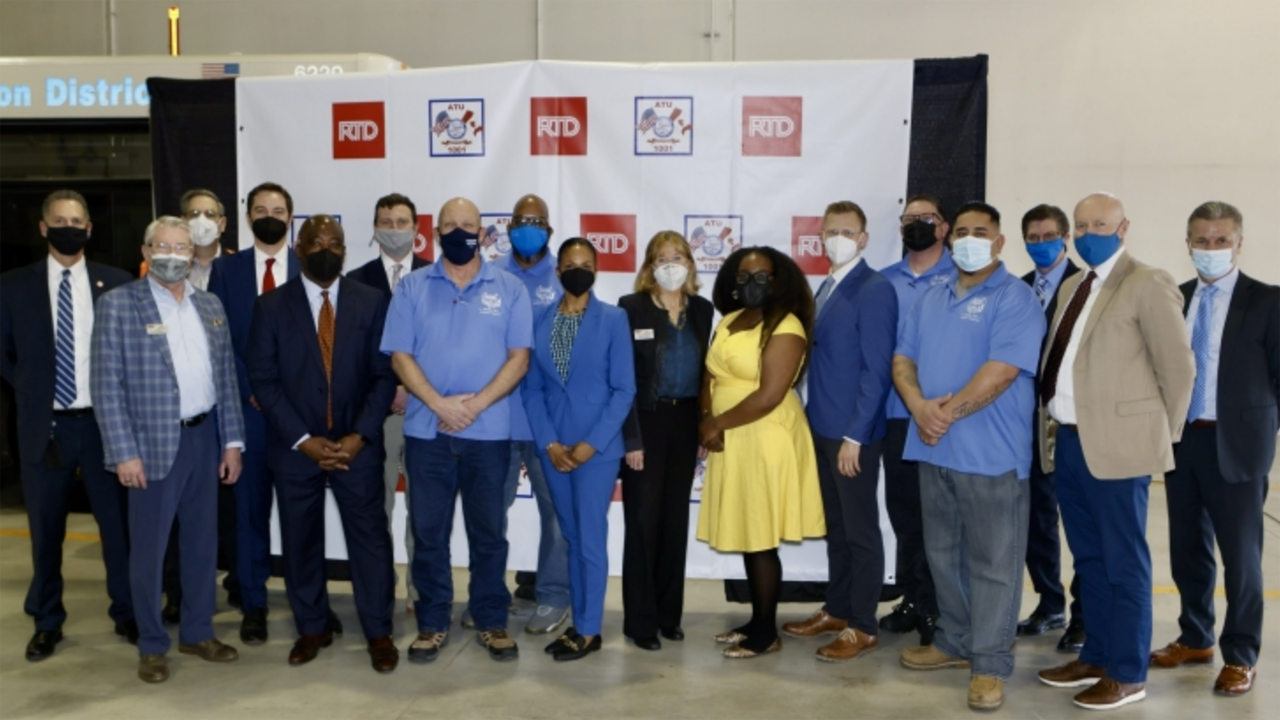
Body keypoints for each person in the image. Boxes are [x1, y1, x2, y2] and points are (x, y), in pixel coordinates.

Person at [1035, 193, 1195, 711]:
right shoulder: (1073, 287)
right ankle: (1097, 656)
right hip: (1072, 443)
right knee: (1090, 560)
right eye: (1079, 225)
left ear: (1123, 227)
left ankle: (1128, 672)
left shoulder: (1147, 282)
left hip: (1119, 448)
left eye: (1099, 224)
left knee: (1125, 564)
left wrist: (1156, 439)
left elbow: (1179, 369)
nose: (1086, 233)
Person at [893, 202, 1044, 711]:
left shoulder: (1015, 298)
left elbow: (1002, 372)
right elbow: (903, 358)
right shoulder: (932, 296)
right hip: (934, 450)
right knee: (943, 556)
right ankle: (955, 642)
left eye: (982, 232)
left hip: (990, 456)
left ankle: (990, 663)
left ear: (1000, 243)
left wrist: (944, 414)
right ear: (948, 239)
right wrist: (917, 406)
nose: (970, 239)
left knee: (994, 565)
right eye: (961, 231)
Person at [90, 216, 246, 683]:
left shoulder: (211, 304)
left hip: (205, 438)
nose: (174, 256)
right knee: (150, 551)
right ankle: (152, 643)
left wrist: (232, 441)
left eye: (182, 248)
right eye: (164, 246)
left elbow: (227, 380)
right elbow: (106, 384)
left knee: (202, 545)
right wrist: (123, 451)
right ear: (145, 250)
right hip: (150, 445)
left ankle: (198, 632)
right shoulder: (118, 305)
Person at [380, 197, 532, 663]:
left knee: (489, 533)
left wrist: (476, 405)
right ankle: (431, 623)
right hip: (428, 432)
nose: (459, 231)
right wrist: (438, 402)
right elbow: (400, 355)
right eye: (450, 225)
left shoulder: (509, 288)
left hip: (489, 434)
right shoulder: (412, 288)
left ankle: (491, 620)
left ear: (483, 233)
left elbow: (519, 358)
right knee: (428, 532)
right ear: (436, 230)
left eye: (468, 225)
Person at [246, 215, 400, 673]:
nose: (326, 248)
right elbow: (264, 381)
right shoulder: (270, 306)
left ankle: (379, 632)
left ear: (345, 251)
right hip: (296, 451)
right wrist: (303, 440)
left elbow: (383, 376)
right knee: (299, 542)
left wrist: (359, 435)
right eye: (316, 241)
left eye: (334, 242)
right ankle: (311, 628)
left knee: (370, 542)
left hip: (359, 447)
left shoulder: (372, 303)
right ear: (299, 248)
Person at [1, 189, 136, 661]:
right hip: (46, 427)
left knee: (117, 528)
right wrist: (34, 389)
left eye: (77, 220)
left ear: (90, 229)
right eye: (59, 219)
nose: (69, 226)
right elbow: (5, 354)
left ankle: (127, 613)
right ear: (42, 227)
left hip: (105, 426)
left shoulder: (117, 283)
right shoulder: (12, 286)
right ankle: (47, 620)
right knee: (46, 529)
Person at [1150, 201, 1278, 696]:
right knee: (1187, 551)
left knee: (1242, 559)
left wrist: (1261, 433)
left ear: (1239, 243)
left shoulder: (1267, 300)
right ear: (1188, 244)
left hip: (1238, 446)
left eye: (1220, 240)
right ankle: (1196, 636)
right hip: (1183, 442)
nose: (1211, 250)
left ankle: (1241, 654)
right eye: (1201, 241)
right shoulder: (1174, 299)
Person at [781, 202, 897, 662]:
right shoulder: (826, 287)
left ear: (864, 238)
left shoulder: (874, 289)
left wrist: (856, 435)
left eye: (847, 231)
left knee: (862, 531)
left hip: (854, 435)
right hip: (822, 428)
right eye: (831, 230)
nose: (838, 237)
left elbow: (876, 370)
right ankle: (840, 608)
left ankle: (864, 626)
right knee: (837, 528)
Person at [699, 246, 823, 659]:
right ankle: (756, 620)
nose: (752, 284)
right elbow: (710, 374)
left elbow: (769, 395)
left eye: (762, 276)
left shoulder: (786, 325)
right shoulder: (730, 320)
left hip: (764, 434)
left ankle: (766, 632)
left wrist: (716, 424)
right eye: (744, 276)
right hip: (730, 434)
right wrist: (706, 417)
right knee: (749, 533)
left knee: (760, 534)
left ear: (778, 280)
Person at [207, 182, 310, 645]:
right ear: (248, 217)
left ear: (292, 217)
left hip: (295, 416)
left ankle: (307, 602)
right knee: (248, 514)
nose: (271, 216)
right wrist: (254, 391)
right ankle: (253, 604)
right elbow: (219, 340)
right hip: (246, 414)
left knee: (296, 515)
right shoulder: (226, 271)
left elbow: (314, 342)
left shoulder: (309, 267)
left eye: (280, 209)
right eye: (262, 209)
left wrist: (279, 395)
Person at [524, 238, 636, 661]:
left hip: (597, 451)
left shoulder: (613, 319)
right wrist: (549, 443)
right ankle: (578, 623)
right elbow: (532, 389)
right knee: (570, 537)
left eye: (585, 264)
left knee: (590, 538)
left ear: (596, 268)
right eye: (569, 264)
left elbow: (624, 389)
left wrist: (590, 445)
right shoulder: (538, 319)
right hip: (554, 449)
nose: (576, 270)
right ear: (557, 271)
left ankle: (588, 630)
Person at [618, 231, 713, 651]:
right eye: (662, 257)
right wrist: (631, 439)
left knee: (675, 521)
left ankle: (668, 616)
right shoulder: (631, 307)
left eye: (678, 256)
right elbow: (622, 379)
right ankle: (640, 622)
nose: (671, 263)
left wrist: (705, 427)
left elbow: (711, 375)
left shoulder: (704, 311)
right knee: (642, 521)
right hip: (646, 423)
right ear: (649, 266)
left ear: (691, 263)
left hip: (685, 421)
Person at [345, 192, 431, 612]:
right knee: (375, 507)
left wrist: (412, 387)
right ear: (375, 228)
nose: (394, 229)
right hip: (374, 412)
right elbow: (353, 352)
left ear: (417, 229)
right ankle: (380, 590)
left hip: (426, 408)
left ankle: (420, 591)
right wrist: (388, 390)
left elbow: (443, 346)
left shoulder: (438, 276)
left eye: (401, 222)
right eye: (386, 222)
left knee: (424, 508)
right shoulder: (355, 281)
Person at [160, 188, 239, 626]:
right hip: (171, 416)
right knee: (173, 517)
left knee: (225, 512)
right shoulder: (156, 273)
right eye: (194, 214)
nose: (203, 219)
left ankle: (229, 589)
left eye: (211, 213)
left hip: (221, 410)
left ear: (223, 223)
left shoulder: (237, 269)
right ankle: (177, 593)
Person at [493, 194, 571, 635]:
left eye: (537, 221)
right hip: (498, 417)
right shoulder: (490, 275)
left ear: (549, 229)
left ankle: (554, 596)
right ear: (508, 228)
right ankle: (489, 594)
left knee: (557, 513)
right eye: (521, 220)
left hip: (548, 420)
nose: (528, 228)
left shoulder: (565, 275)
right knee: (490, 511)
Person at [878, 194, 954, 645]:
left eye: (927, 218)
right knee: (904, 514)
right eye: (909, 219)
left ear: (944, 227)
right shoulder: (884, 282)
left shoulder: (960, 278)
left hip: (942, 415)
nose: (917, 225)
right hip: (894, 414)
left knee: (939, 519)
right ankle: (911, 597)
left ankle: (938, 607)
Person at [1016, 203, 1085, 653]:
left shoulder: (1086, 287)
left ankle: (1084, 616)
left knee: (1080, 522)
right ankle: (1049, 602)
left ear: (1065, 238)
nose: (1041, 245)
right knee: (1034, 519)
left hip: (1072, 421)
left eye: (1049, 236)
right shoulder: (1018, 289)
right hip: (1024, 422)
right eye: (1033, 238)